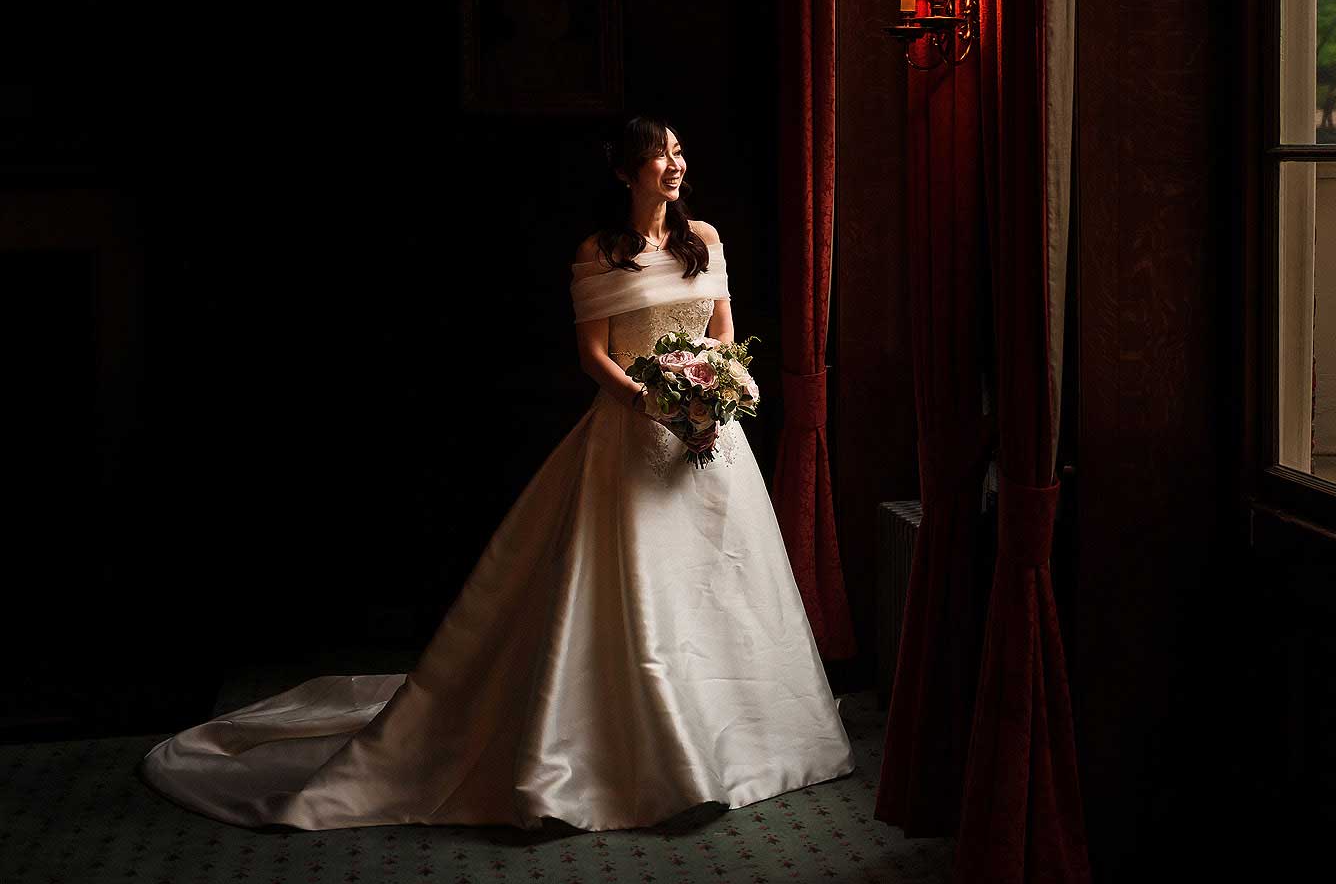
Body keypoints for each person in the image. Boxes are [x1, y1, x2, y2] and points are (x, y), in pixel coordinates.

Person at [138, 115, 855, 831]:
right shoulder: (599, 253)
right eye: (658, 154)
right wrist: (651, 399)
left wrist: (711, 383)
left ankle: (736, 746)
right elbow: (594, 355)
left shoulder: (707, 241)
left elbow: (723, 327)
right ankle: (658, 763)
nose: (674, 163)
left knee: (723, 586)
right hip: (632, 434)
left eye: (678, 151)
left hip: (709, 441)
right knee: (643, 596)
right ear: (625, 171)